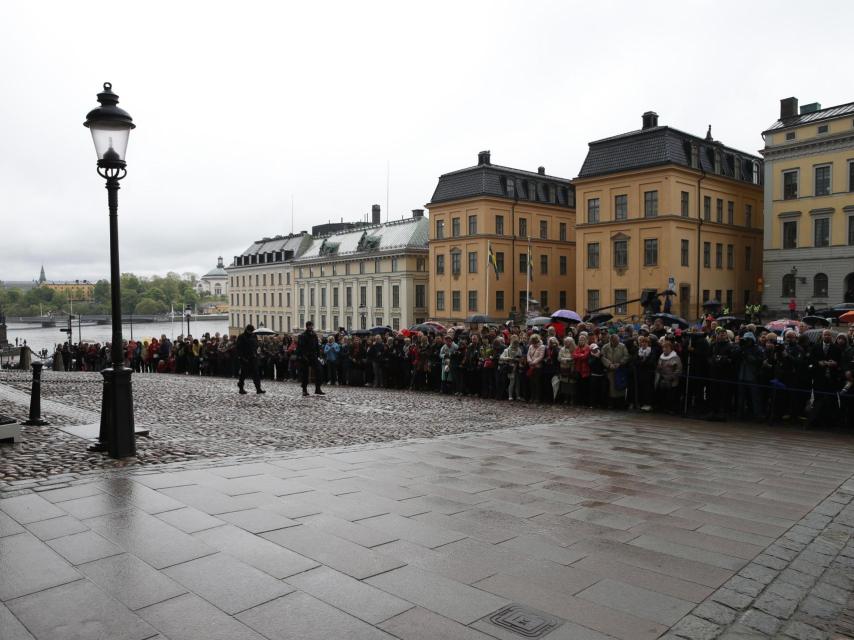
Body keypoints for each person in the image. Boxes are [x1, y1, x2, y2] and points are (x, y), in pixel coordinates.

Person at [235, 324, 264, 394]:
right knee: (243, 374)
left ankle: (258, 388)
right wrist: (241, 357)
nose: (251, 332)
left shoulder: (254, 336)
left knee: (256, 374)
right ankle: (241, 388)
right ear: (247, 330)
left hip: (253, 358)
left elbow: (256, 345)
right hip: (245, 358)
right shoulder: (241, 337)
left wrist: (257, 350)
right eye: (250, 331)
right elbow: (238, 348)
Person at [297, 321, 324, 396]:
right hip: (305, 357)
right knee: (305, 374)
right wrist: (303, 356)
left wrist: (319, 355)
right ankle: (304, 389)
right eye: (310, 326)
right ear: (307, 326)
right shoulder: (303, 335)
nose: (311, 327)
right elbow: (300, 347)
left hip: (313, 356)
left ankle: (318, 388)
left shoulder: (314, 335)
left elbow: (316, 346)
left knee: (319, 370)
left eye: (312, 326)